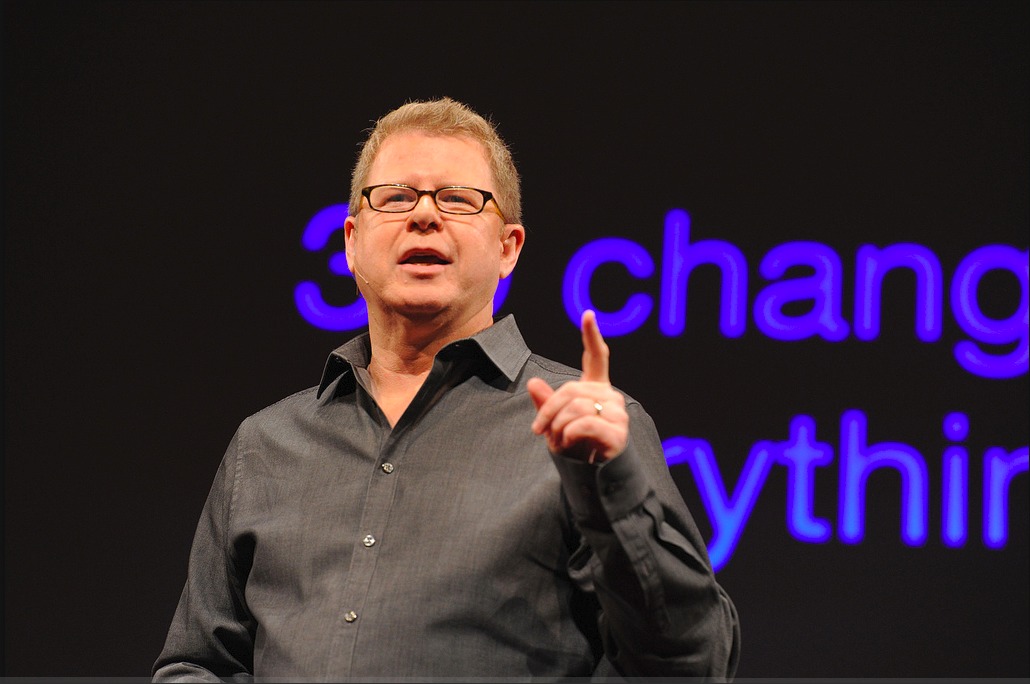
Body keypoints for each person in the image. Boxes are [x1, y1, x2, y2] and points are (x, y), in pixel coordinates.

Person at [153, 97, 740, 680]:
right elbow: (197, 664)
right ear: (352, 242)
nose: (424, 216)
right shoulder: (266, 444)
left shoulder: (583, 428)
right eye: (396, 197)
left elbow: (692, 661)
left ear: (508, 248)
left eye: (458, 200)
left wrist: (611, 488)